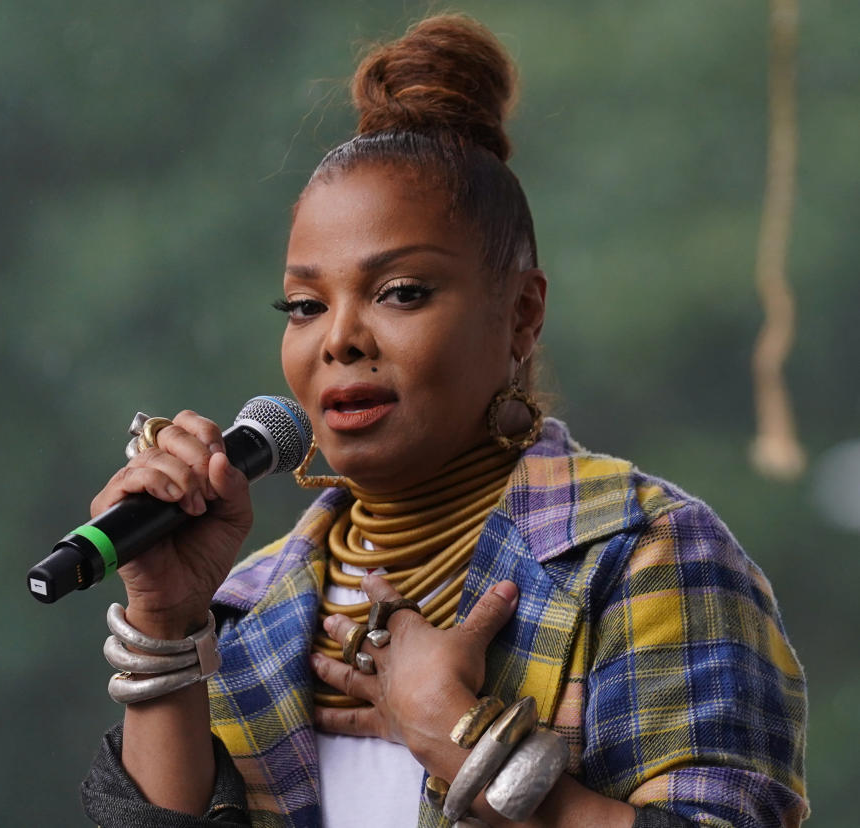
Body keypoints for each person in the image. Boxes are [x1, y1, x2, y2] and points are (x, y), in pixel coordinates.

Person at [78, 13, 808, 828]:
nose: (340, 339)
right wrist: (167, 628)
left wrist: (463, 744)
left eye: (400, 293)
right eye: (304, 305)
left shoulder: (645, 560)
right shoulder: (245, 608)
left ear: (522, 314)